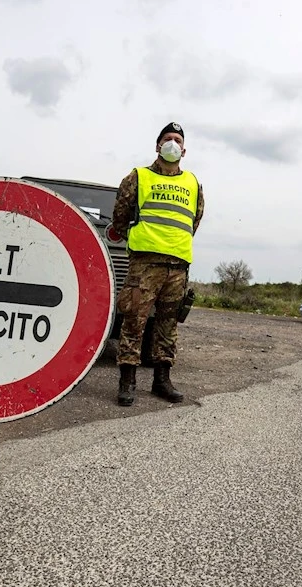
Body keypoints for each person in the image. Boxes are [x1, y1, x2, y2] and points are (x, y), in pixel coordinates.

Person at [106, 122, 205, 406]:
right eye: (167, 139)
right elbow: (121, 216)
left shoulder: (193, 184)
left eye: (177, 140)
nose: (172, 143)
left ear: (184, 150)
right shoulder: (137, 177)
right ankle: (127, 382)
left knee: (168, 324)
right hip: (144, 265)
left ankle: (162, 380)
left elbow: (193, 222)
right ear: (157, 145)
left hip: (177, 266)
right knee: (134, 322)